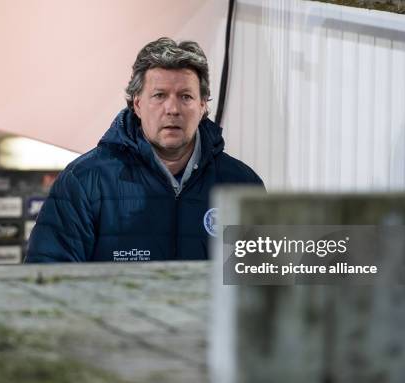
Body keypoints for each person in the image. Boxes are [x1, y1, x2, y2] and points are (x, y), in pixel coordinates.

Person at [25, 37, 264, 263]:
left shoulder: (243, 185)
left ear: (202, 106)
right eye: (159, 95)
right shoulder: (84, 182)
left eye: (186, 97)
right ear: (137, 104)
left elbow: (268, 290)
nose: (172, 108)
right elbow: (47, 283)